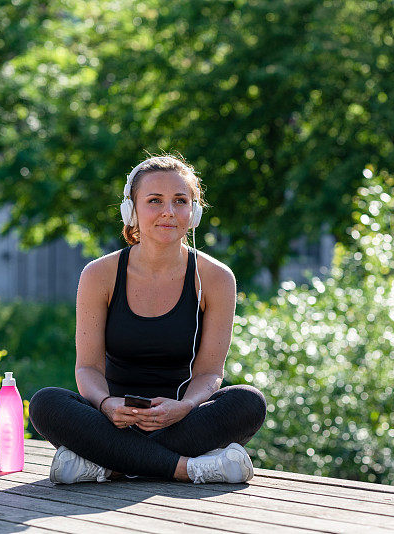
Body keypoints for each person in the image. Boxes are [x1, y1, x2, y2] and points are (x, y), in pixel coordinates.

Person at [28, 154, 267, 485]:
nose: (169, 211)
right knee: (46, 403)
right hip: (111, 421)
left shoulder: (216, 278)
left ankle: (107, 466)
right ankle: (189, 469)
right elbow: (88, 369)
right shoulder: (99, 274)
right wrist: (107, 403)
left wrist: (185, 407)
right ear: (132, 211)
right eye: (155, 200)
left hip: (182, 420)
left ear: (193, 212)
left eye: (180, 201)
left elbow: (210, 373)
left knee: (248, 402)